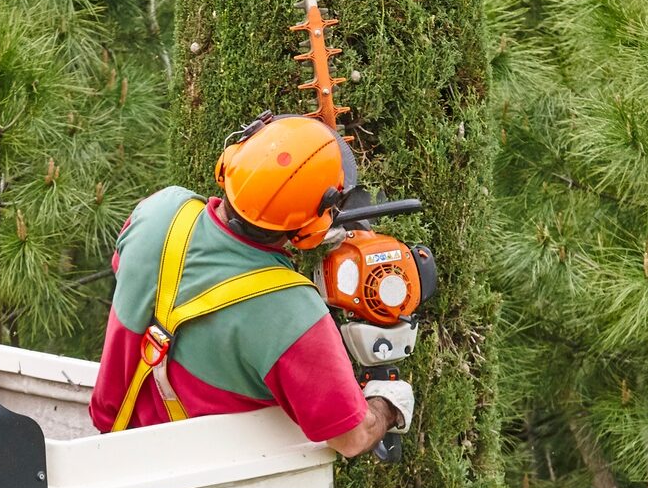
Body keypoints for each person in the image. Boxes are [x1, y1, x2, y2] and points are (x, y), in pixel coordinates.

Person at [89, 113, 414, 457]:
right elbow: (350, 437)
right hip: (195, 486)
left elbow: (132, 272)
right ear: (312, 227)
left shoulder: (159, 212)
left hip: (112, 451)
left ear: (233, 159)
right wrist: (386, 406)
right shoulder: (294, 315)